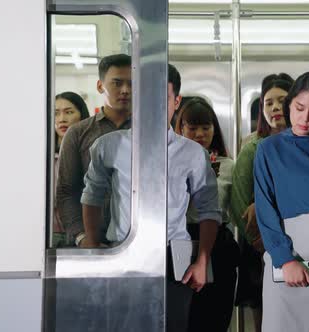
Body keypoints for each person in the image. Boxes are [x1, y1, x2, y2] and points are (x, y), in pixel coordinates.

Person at [80, 64, 221, 332]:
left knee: (172, 325)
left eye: (164, 99)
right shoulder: (109, 146)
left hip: (173, 258)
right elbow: (92, 194)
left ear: (176, 101)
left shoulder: (192, 154)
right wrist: (92, 243)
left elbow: (209, 210)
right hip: (121, 251)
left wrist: (202, 261)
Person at [254, 71, 309, 332]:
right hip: (290, 253)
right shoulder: (269, 149)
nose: (305, 119)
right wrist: (284, 259)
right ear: (289, 104)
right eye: (299, 108)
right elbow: (265, 208)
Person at [229, 73, 294, 331]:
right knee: (265, 317)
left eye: (282, 101)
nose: (275, 107)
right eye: (268, 103)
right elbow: (238, 203)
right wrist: (264, 243)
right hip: (261, 250)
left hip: (301, 244)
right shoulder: (252, 148)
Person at [174, 97, 240, 332]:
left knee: (215, 316)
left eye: (206, 127)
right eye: (192, 128)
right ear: (180, 129)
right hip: (181, 240)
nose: (200, 133)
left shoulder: (228, 165)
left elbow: (235, 207)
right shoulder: (171, 163)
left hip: (218, 243)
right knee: (185, 316)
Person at [56, 54, 132, 246]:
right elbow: (67, 191)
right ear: (100, 86)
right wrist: (83, 238)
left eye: (132, 83)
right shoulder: (79, 133)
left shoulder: (149, 133)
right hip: (91, 240)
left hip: (136, 240)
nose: (125, 90)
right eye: (117, 83)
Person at [53, 92, 90, 247]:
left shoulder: (93, 153)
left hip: (86, 235)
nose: (62, 119)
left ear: (82, 115)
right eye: (56, 113)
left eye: (69, 112)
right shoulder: (42, 157)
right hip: (51, 236)